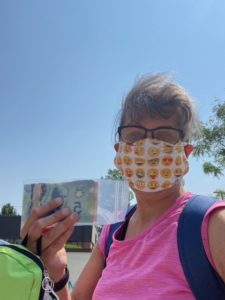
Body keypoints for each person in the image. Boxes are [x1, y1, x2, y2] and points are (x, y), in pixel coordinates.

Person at [21, 74, 225, 299]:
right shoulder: (113, 230)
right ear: (120, 152)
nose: (148, 148)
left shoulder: (214, 225)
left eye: (164, 137)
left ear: (185, 153)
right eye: (135, 136)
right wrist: (56, 271)